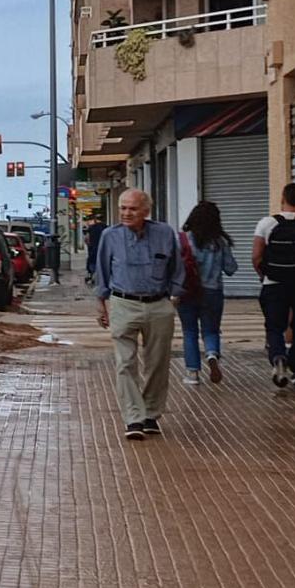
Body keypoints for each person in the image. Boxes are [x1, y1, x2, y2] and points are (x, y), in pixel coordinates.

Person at [94, 188, 184, 440]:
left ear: (146, 211)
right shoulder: (110, 236)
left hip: (158, 304)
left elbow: (177, 267)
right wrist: (101, 303)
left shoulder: (164, 233)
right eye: (122, 208)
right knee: (125, 363)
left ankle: (150, 415)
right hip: (123, 303)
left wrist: (174, 298)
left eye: (132, 208)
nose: (126, 213)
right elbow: (102, 270)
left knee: (158, 363)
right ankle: (133, 418)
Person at [253, 182, 295, 388]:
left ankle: (278, 357)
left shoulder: (267, 223)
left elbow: (256, 256)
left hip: (274, 283)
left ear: (282, 198)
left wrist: (264, 275)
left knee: (274, 326)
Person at [177, 200, 238, 386]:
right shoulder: (220, 242)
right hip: (213, 292)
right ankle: (212, 354)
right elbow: (231, 268)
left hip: (187, 292)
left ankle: (192, 373)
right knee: (211, 330)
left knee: (189, 332)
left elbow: (176, 267)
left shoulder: (185, 239)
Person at [84, 214, 107, 286]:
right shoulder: (106, 228)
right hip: (104, 249)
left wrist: (89, 244)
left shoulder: (91, 228)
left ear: (95, 219)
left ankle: (91, 276)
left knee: (92, 262)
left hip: (93, 248)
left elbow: (87, 239)